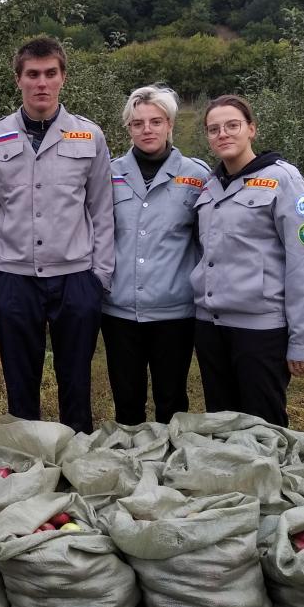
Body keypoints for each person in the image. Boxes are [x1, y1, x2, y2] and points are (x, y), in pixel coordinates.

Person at [0, 36, 114, 434]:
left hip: (76, 278)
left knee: (76, 383)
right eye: (32, 74)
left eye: (50, 74)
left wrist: (99, 277)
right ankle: (27, 467)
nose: (41, 83)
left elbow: (102, 211)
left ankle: (77, 463)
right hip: (14, 279)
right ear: (18, 79)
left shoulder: (89, 136)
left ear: (63, 78)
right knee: (21, 387)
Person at [191, 93, 304, 426]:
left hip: (260, 330)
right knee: (220, 425)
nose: (223, 134)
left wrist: (302, 341)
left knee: (263, 427)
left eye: (232, 125)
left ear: (251, 129)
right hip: (211, 326)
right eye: (214, 129)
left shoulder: (284, 180)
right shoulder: (209, 187)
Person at [101, 85, 209, 424]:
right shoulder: (109, 173)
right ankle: (129, 467)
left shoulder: (197, 175)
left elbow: (208, 242)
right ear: (129, 128)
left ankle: (169, 468)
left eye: (156, 121)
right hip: (119, 309)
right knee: (126, 398)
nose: (147, 129)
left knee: (171, 400)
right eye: (137, 123)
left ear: (170, 125)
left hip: (174, 311)